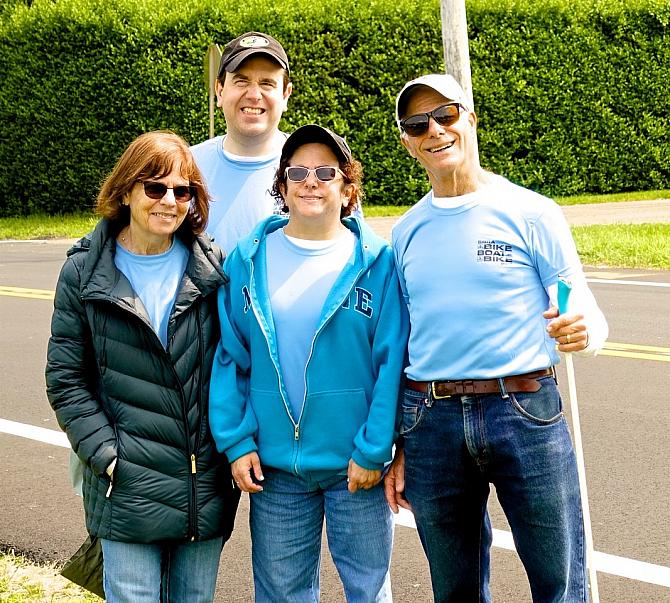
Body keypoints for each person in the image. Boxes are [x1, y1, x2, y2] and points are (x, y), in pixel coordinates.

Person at [384, 74, 609, 603]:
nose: (434, 131)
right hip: (430, 422)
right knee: (454, 589)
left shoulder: (532, 212)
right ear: (406, 142)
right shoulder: (405, 231)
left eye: (445, 116)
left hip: (524, 411)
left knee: (560, 583)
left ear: (470, 119)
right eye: (418, 125)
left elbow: (579, 305)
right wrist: (399, 444)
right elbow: (402, 340)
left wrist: (584, 331)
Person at [209, 125, 408, 602]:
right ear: (281, 185)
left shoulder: (377, 263)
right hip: (275, 473)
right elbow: (231, 356)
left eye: (325, 172)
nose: (310, 181)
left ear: (347, 188)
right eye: (297, 171)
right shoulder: (248, 259)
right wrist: (236, 442)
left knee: (368, 591)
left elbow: (391, 363)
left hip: (355, 467)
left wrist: (374, 449)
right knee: (281, 594)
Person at [45, 131, 240, 603]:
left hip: (202, 481)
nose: (169, 201)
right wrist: (108, 455)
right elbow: (66, 379)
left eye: (182, 190)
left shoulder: (210, 268)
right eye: (155, 187)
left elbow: (234, 366)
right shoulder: (83, 273)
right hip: (126, 483)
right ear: (127, 190)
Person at [190, 31, 292, 254]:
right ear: (220, 91)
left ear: (286, 95)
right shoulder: (185, 166)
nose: (254, 94)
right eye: (241, 81)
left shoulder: (318, 169)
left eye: (267, 83)